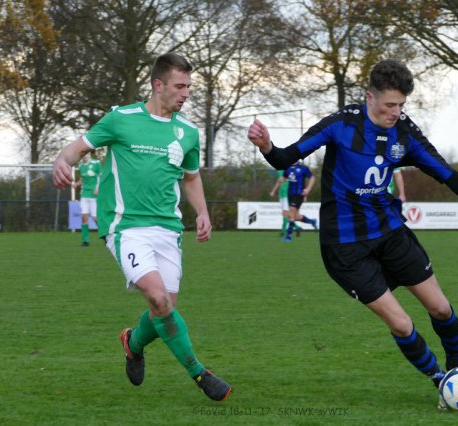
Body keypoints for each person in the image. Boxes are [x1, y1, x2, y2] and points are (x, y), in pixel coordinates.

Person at [248, 59, 458, 405]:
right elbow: (284, 158)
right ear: (370, 97)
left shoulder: (404, 132)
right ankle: (442, 382)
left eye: (401, 105)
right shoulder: (341, 124)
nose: (396, 112)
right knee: (402, 324)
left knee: (440, 308)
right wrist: (267, 145)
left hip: (390, 233)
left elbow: (447, 175)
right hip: (345, 247)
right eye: (390, 104)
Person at [53, 53, 232, 401]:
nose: (186, 94)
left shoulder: (188, 132)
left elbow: (191, 177)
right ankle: (200, 373)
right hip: (126, 227)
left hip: (168, 230)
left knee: (163, 310)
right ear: (158, 85)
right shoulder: (121, 119)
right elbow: (77, 148)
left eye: (189, 87)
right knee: (158, 299)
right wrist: (62, 160)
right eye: (180, 86)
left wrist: (202, 212)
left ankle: (132, 343)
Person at [271, 162, 318, 242]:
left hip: (299, 194)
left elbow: (312, 178)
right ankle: (312, 221)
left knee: (291, 215)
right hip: (290, 195)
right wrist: (276, 187)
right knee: (295, 216)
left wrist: (308, 189)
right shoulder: (287, 168)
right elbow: (284, 178)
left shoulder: (303, 168)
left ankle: (288, 237)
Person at [73, 152, 102, 247]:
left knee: (95, 218)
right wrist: (76, 184)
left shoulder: (96, 163)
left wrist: (97, 188)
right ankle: (85, 241)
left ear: (89, 154)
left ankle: (106, 234)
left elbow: (101, 176)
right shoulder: (81, 166)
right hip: (84, 194)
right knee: (84, 217)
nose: (85, 155)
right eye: (83, 154)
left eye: (86, 153)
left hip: (94, 194)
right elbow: (82, 179)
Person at [270, 169, 302, 237]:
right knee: (285, 214)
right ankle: (297, 228)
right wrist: (274, 191)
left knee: (286, 214)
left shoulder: (290, 170)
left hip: (287, 195)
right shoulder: (279, 171)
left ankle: (283, 232)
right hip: (281, 194)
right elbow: (278, 182)